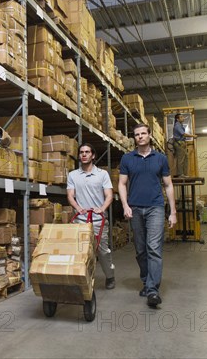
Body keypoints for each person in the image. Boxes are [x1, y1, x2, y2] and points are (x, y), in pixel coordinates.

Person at [118, 123, 176, 308]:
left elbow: (168, 185)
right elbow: (121, 184)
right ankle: (146, 280)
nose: (140, 136)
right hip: (135, 208)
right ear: (134, 138)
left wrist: (172, 212)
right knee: (141, 249)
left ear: (149, 135)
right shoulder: (127, 158)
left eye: (144, 133)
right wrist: (125, 205)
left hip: (156, 208)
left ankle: (152, 290)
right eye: (137, 134)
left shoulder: (160, 158)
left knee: (154, 248)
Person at [67, 143, 115, 290]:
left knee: (102, 251)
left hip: (98, 220)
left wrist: (102, 208)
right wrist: (78, 208)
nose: (84, 154)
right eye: (81, 152)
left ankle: (109, 276)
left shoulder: (102, 174)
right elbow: (70, 195)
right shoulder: (73, 175)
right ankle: (83, 278)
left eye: (87, 152)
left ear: (93, 155)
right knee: (80, 250)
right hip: (81, 220)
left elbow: (109, 195)